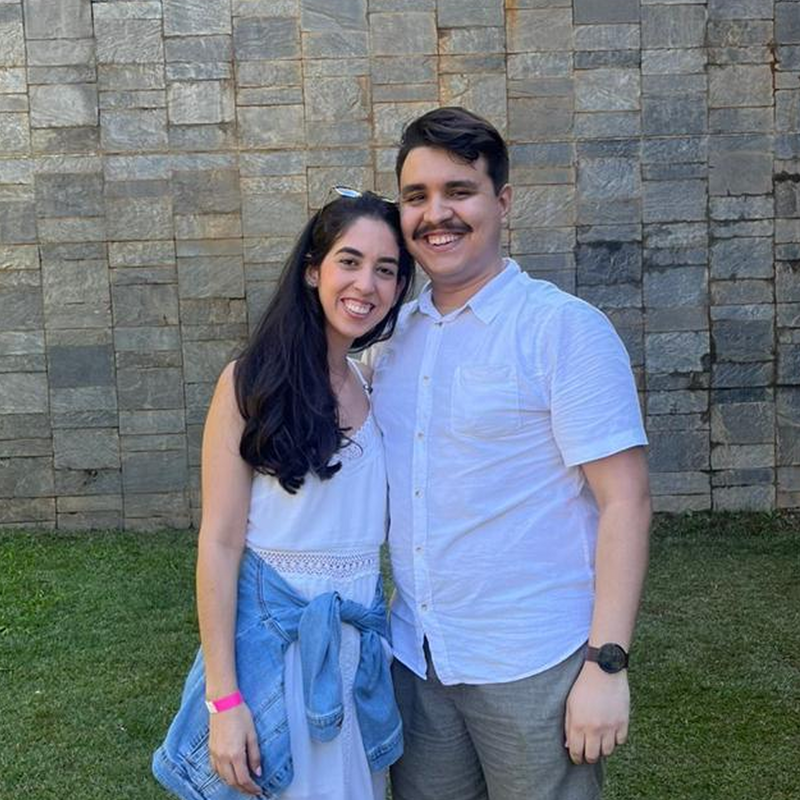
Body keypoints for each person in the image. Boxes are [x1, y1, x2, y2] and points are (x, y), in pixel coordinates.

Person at [365, 107, 652, 800]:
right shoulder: (391, 339)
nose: (437, 214)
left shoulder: (563, 330)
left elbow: (627, 502)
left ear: (502, 201)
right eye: (416, 196)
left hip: (533, 661)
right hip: (419, 657)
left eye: (459, 191)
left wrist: (606, 665)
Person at [152, 189, 414, 800]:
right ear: (313, 270)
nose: (366, 284)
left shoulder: (374, 383)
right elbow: (219, 545)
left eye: (385, 269)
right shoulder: (249, 382)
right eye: (349, 261)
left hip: (354, 655)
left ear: (400, 286)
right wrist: (224, 700)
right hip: (274, 651)